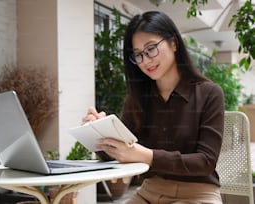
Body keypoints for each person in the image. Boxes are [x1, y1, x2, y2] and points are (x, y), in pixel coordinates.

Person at [82, 11, 224, 204]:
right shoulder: (137, 99)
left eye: (151, 49)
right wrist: (98, 133)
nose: (146, 60)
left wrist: (147, 156)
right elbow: (118, 155)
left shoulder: (209, 93)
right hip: (149, 192)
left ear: (173, 43)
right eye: (138, 55)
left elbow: (205, 162)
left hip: (198, 194)